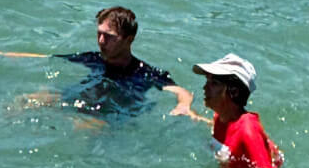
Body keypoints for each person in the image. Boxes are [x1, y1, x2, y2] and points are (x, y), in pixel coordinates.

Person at [17, 6, 196, 119]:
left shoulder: (143, 72)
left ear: (129, 39)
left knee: (82, 127)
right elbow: (44, 57)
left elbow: (181, 91)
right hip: (80, 99)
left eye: (109, 37)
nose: (101, 41)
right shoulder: (94, 59)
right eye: (99, 34)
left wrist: (183, 105)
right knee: (25, 101)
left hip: (110, 115)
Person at [178, 53, 284, 168]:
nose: (205, 88)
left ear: (233, 91)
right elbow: (223, 133)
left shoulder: (249, 128)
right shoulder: (221, 117)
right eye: (207, 81)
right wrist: (192, 115)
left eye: (213, 83)